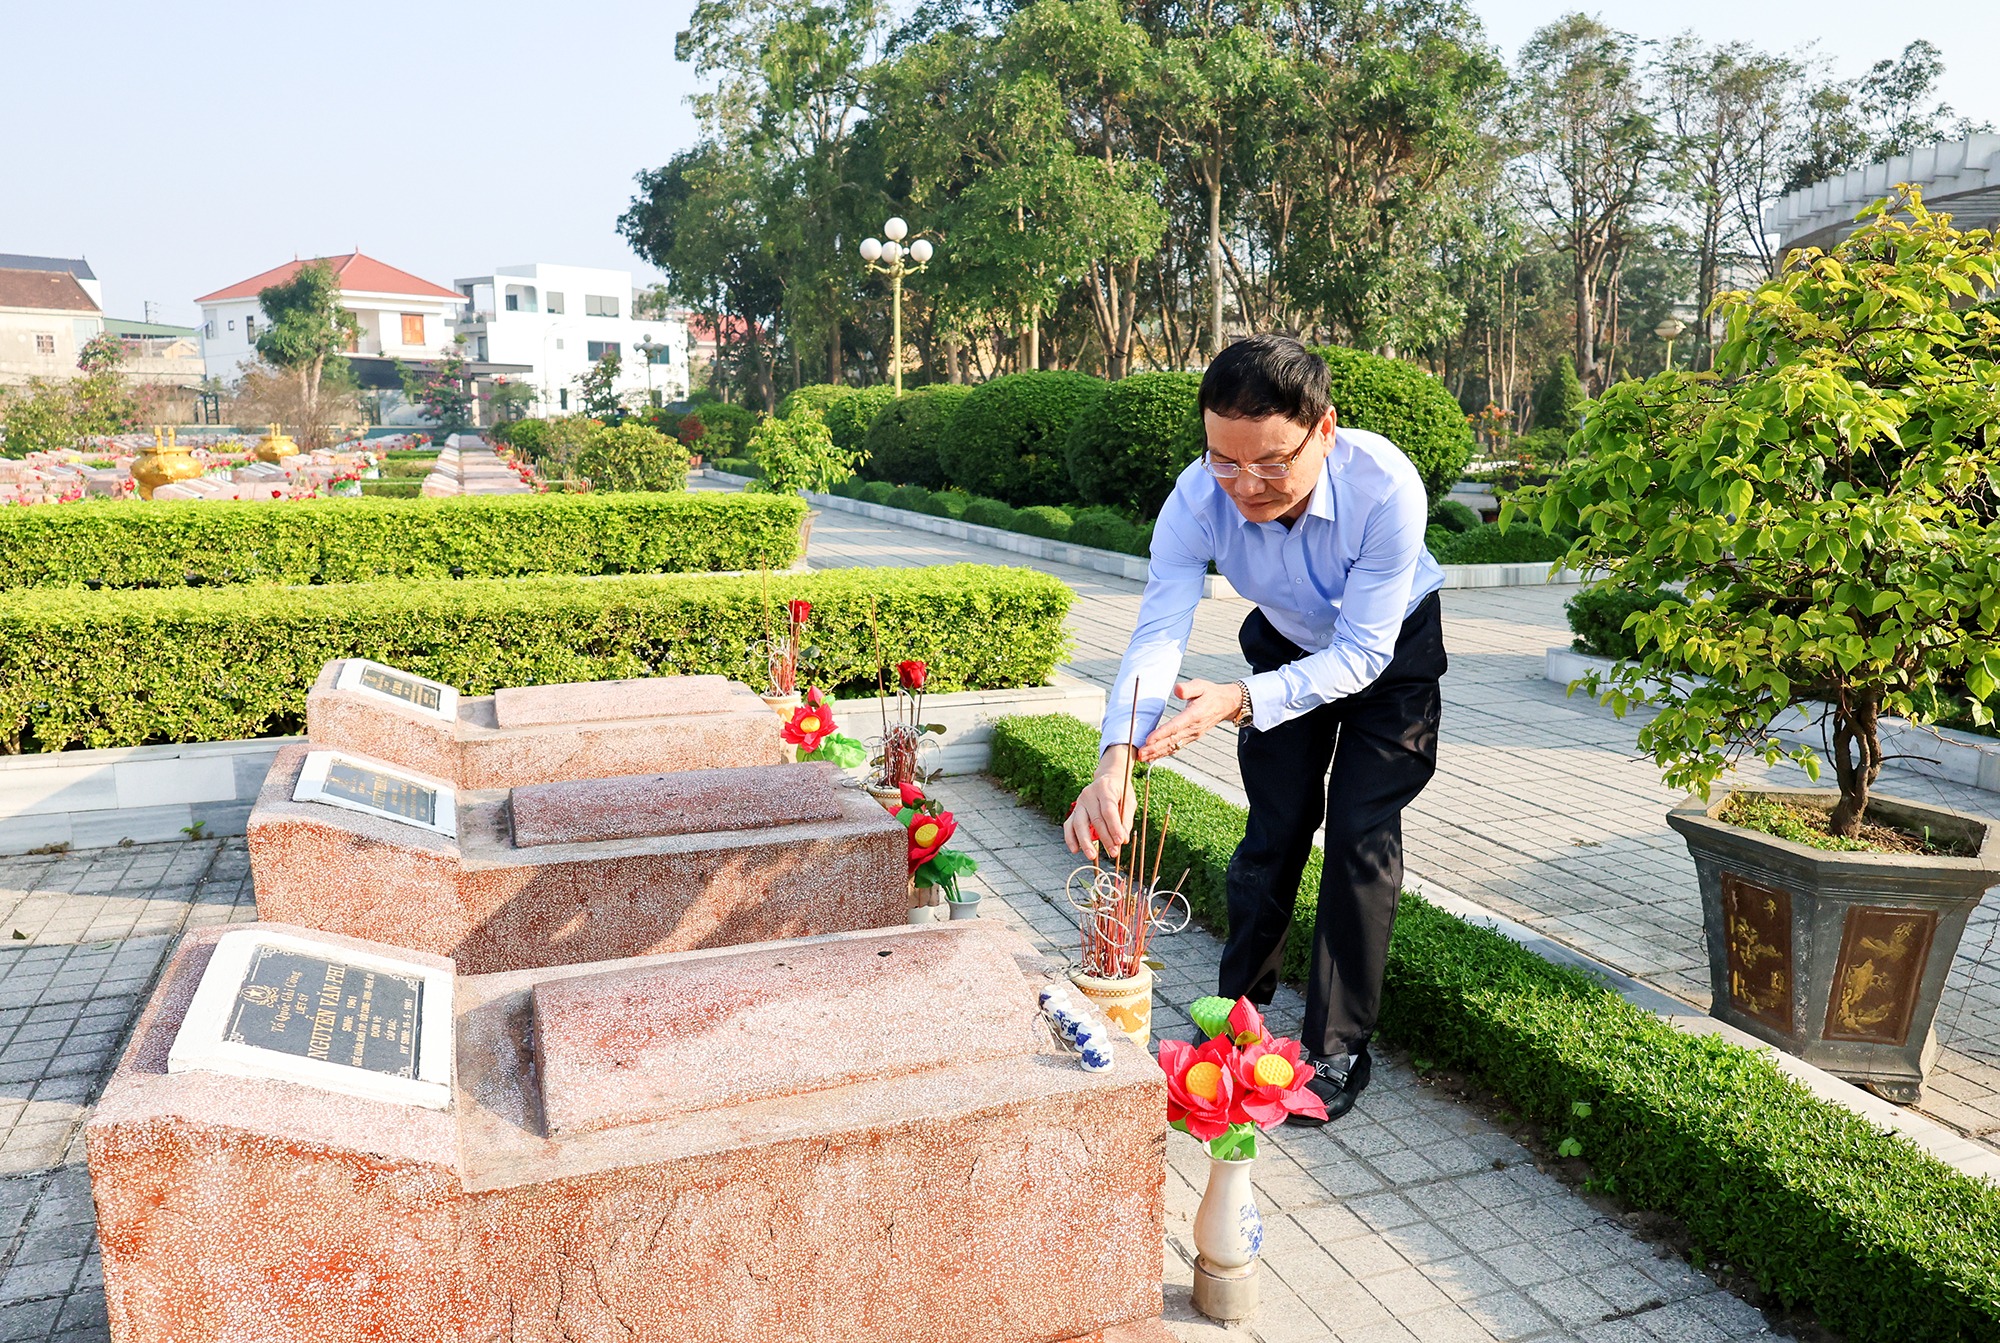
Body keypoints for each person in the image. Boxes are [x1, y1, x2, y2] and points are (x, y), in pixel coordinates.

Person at [1063, 334, 1447, 1125]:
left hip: (1390, 653)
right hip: (1282, 643)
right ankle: (1237, 1018)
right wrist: (1115, 757)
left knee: (1358, 835)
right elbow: (1158, 631)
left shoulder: (1385, 487)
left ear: (1324, 430)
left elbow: (1361, 653)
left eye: (1272, 463)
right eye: (1224, 460)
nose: (1245, 485)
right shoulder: (1196, 497)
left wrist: (1238, 699)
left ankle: (1337, 1047)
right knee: (1273, 830)